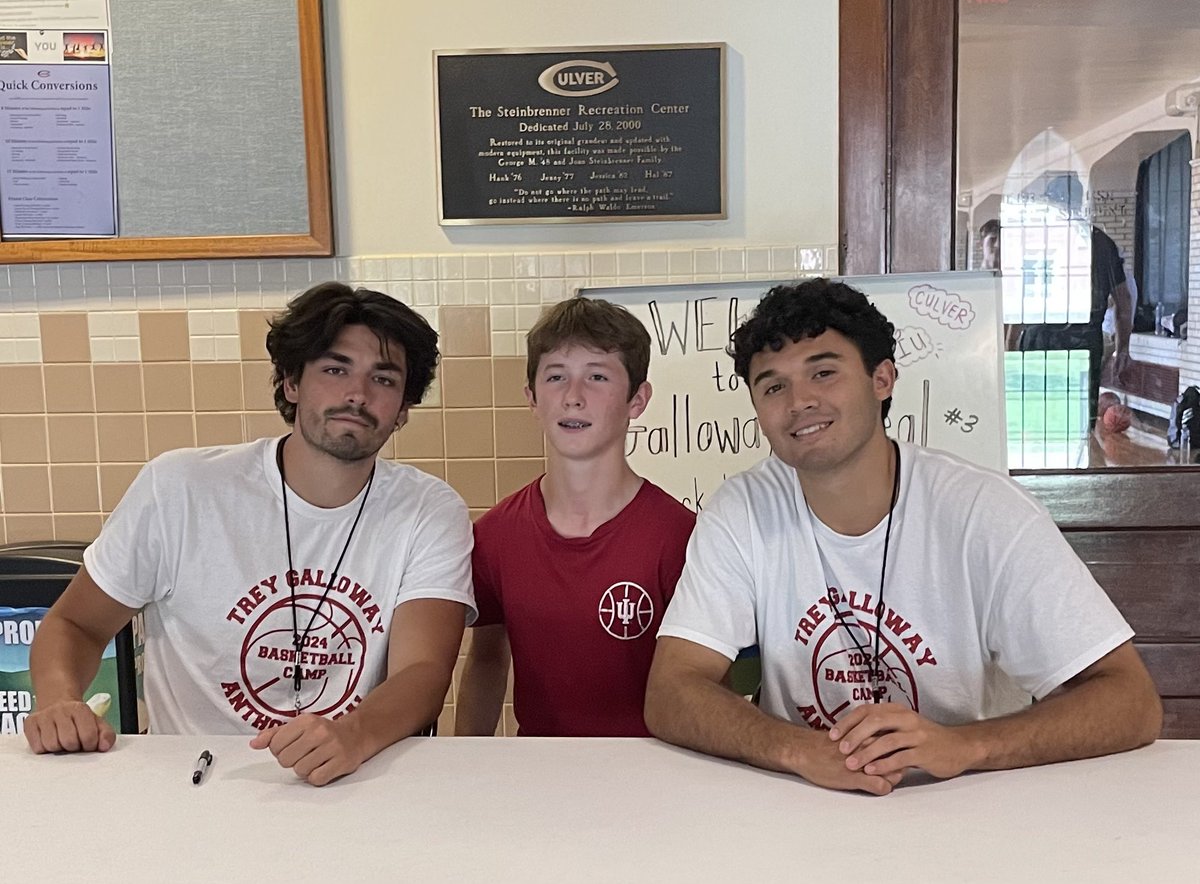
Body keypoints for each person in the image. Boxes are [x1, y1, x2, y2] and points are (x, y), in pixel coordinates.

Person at [644, 278, 1162, 796]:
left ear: (883, 379)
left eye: (823, 372)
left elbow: (1130, 702)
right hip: (805, 801)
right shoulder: (743, 508)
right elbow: (671, 690)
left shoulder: (985, 511)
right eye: (773, 386)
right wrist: (798, 750)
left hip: (971, 800)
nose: (799, 401)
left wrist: (963, 747)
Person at [24, 282, 475, 786]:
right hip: (192, 782)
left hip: (352, 783)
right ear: (291, 383)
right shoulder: (180, 487)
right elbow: (75, 626)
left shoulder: (430, 510)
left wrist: (354, 734)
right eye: (334, 368)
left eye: (384, 379)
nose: (357, 393)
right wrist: (62, 702)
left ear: (404, 409)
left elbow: (424, 672)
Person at [456, 297, 695, 736]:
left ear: (637, 400)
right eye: (556, 377)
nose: (573, 397)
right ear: (532, 398)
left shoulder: (681, 539)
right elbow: (487, 659)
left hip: (657, 783)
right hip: (538, 781)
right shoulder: (494, 536)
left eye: (597, 377)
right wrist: (466, 771)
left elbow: (707, 684)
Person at [981, 212, 1135, 426]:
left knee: (1034, 421)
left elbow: (1021, 298)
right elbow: (1123, 300)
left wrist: (1009, 349)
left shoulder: (1040, 238)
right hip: (1085, 344)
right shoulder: (1101, 242)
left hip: (1039, 340)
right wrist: (1123, 349)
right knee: (1078, 423)